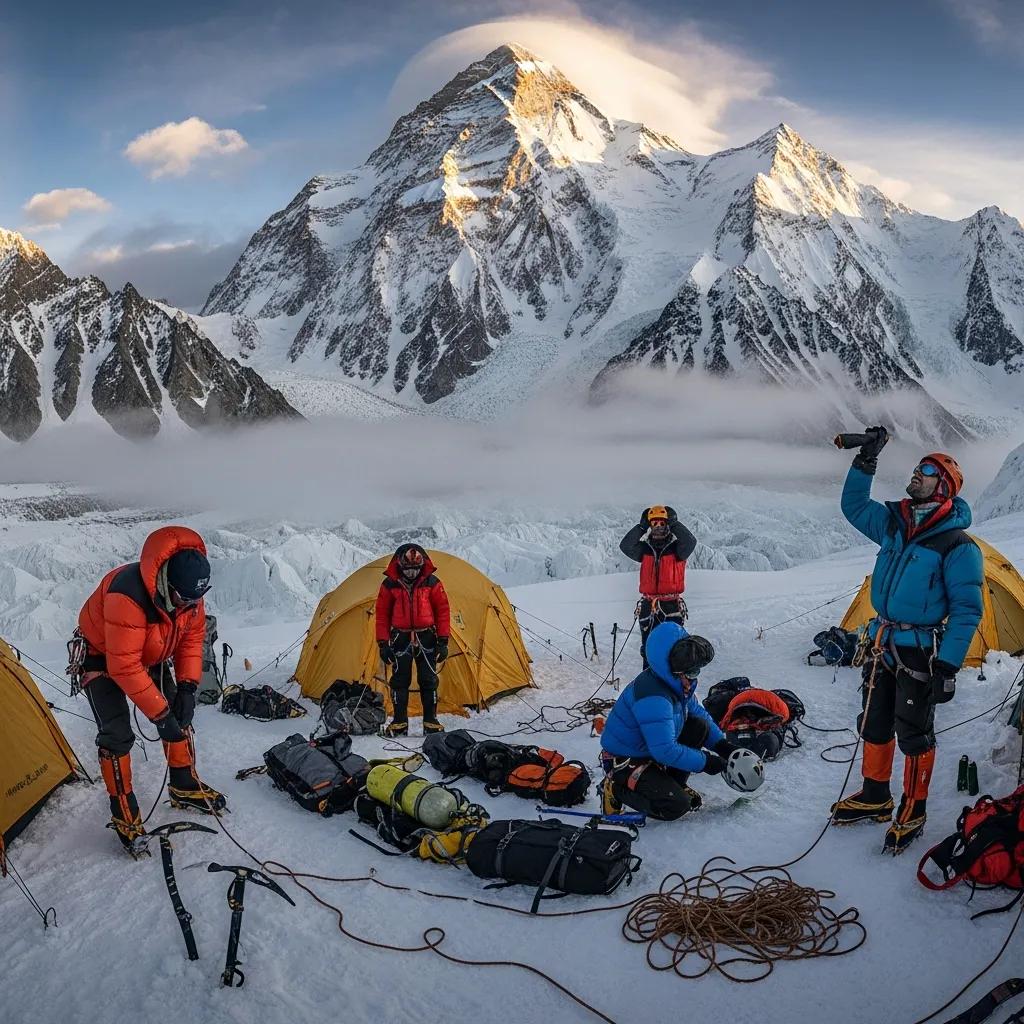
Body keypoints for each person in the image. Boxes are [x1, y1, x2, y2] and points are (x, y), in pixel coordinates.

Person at [832, 429, 984, 854]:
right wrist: (866, 461)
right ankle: (875, 795)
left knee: (913, 732)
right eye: (919, 467)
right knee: (875, 722)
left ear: (944, 487)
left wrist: (948, 666)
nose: (917, 474)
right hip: (882, 642)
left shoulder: (957, 545)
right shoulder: (895, 522)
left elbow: (968, 610)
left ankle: (913, 807)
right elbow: (854, 506)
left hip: (918, 650)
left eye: (928, 471)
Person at [77, 526, 226, 854]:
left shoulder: (190, 596)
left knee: (180, 713)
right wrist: (159, 716)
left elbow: (190, 640)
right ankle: (124, 814)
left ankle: (184, 784)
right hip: (102, 659)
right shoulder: (127, 595)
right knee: (117, 736)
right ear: (166, 583)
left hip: (149, 651)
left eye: (195, 599)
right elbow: (123, 667)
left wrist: (188, 687)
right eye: (183, 598)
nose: (190, 604)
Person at [599, 621, 737, 819]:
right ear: (671, 668)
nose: (693, 678)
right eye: (690, 672)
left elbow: (698, 713)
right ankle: (615, 787)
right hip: (625, 760)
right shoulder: (653, 697)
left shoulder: (676, 684)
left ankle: (674, 784)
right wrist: (706, 762)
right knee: (675, 806)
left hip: (651, 750)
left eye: (696, 671)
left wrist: (722, 745)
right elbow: (665, 750)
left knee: (699, 726)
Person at [376, 544, 451, 737]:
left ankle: (431, 721)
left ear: (421, 565)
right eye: (407, 569)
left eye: (415, 569)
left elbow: (442, 610)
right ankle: (400, 722)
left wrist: (443, 640)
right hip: (400, 637)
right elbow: (382, 615)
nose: (411, 573)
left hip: (427, 637)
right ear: (400, 565)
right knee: (400, 681)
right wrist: (383, 644)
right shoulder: (389, 585)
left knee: (429, 680)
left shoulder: (432, 582)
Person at [619, 505, 697, 667]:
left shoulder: (678, 549)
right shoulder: (645, 549)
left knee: (674, 648)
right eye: (654, 524)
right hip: (648, 605)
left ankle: (672, 683)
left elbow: (690, 541)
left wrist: (675, 523)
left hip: (671, 605)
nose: (658, 527)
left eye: (662, 523)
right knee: (648, 648)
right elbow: (625, 546)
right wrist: (641, 527)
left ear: (668, 525)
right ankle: (650, 679)